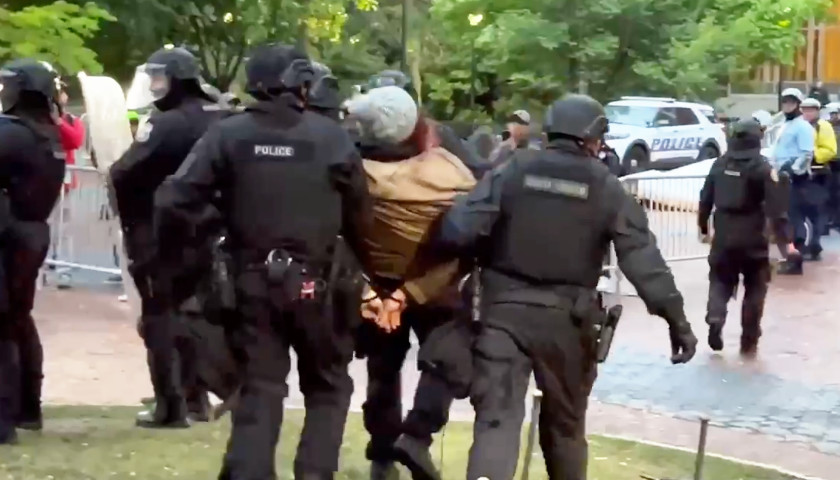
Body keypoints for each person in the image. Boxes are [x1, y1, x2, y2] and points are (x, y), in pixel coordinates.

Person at [435, 94, 698, 480]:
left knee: (497, 421)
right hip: (568, 325)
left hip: (502, 315)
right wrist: (677, 322)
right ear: (591, 137)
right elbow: (644, 262)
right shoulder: (606, 186)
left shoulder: (513, 169)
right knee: (566, 429)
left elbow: (458, 229)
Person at [153, 42, 372, 480]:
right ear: (300, 84)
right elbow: (362, 214)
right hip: (319, 284)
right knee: (329, 386)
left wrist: (212, 225)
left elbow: (173, 198)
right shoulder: (332, 138)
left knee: (261, 388)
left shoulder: (229, 134)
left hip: (250, 282)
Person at [345, 85, 477, 480]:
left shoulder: (351, 172)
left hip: (376, 288)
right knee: (448, 360)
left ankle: (383, 455)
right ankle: (417, 434)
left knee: (383, 372)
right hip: (436, 284)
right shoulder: (451, 173)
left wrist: (377, 292)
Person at [109, 45, 226, 429]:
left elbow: (125, 172)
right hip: (204, 229)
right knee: (188, 314)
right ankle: (195, 398)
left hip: (159, 231)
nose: (155, 86)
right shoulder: (218, 119)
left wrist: (131, 220)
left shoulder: (168, 124)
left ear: (177, 79)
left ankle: (170, 404)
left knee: (160, 317)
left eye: (160, 78)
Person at [0, 59, 67, 444]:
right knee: (17, 320)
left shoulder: (13, 133)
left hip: (10, 234)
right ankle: (28, 407)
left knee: (4, 325)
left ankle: (5, 417)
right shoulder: (46, 133)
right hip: (32, 232)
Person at [698, 119, 793, 357]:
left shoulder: (719, 164)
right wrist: (785, 242)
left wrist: (703, 228)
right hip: (753, 237)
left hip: (723, 234)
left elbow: (705, 199)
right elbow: (776, 209)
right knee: (755, 287)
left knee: (719, 280)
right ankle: (748, 340)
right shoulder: (762, 167)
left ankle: (716, 315)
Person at [772, 88, 815, 275]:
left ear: (798, 104)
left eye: (791, 102)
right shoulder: (784, 124)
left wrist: (793, 170)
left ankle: (796, 259)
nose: (787, 105)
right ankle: (789, 256)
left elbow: (807, 153)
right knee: (784, 218)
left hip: (795, 179)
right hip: (782, 177)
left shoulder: (803, 126)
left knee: (794, 218)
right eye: (785, 102)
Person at [795, 97, 835, 258]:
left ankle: (815, 244)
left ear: (818, 111)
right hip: (800, 172)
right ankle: (804, 242)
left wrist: (812, 155)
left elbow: (830, 149)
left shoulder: (823, 126)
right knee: (800, 210)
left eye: (811, 110)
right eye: (804, 110)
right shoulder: (798, 125)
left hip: (818, 172)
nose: (807, 113)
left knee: (817, 211)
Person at [827, 104, 840, 230]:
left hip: (837, 162)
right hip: (830, 162)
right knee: (831, 192)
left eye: (835, 114)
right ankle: (832, 219)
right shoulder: (827, 127)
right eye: (832, 114)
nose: (834, 116)